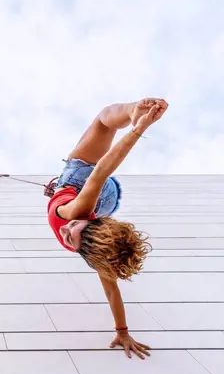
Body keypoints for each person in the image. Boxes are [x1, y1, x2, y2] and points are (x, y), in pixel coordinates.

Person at [44, 98, 168, 359]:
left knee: (103, 126)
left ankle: (129, 112)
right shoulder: (76, 213)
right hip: (84, 183)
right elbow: (100, 171)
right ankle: (132, 112)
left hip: (106, 201)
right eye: (74, 228)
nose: (66, 230)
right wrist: (138, 129)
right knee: (102, 120)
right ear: (91, 221)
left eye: (70, 236)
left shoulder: (96, 255)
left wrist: (123, 332)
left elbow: (112, 290)